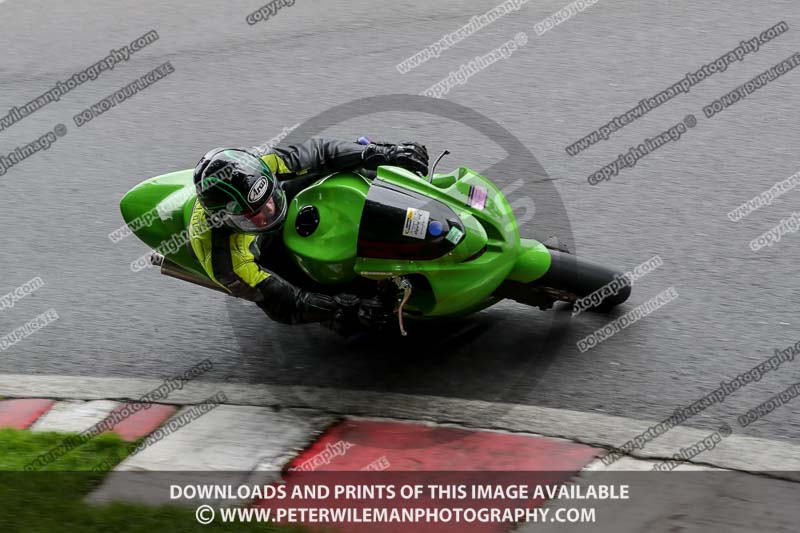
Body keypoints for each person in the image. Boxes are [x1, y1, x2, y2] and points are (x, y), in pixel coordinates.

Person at [189, 138, 429, 334]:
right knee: (349, 319)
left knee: (355, 165)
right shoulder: (227, 259)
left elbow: (320, 153)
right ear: (226, 219)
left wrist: (380, 152)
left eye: (267, 201)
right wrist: (343, 309)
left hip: (281, 193)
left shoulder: (262, 164)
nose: (269, 212)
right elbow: (285, 303)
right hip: (259, 247)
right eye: (252, 214)